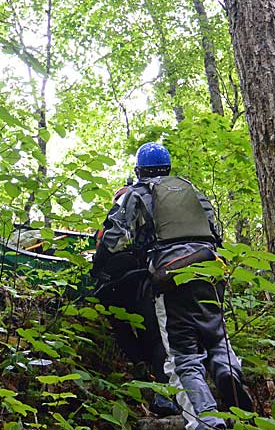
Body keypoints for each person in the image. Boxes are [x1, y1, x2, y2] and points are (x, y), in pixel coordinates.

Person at [95, 142, 252, 430]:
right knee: (216, 337)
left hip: (171, 274)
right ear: (167, 168)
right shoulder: (192, 191)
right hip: (210, 268)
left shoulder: (137, 193)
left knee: (183, 356)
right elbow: (214, 232)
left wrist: (101, 263)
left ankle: (205, 420)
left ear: (139, 170)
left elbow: (114, 238)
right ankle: (228, 373)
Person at [92, 176, 178, 417]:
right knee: (160, 334)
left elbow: (110, 241)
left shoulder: (125, 205)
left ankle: (151, 380)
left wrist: (97, 268)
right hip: (166, 273)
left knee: (136, 328)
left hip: (135, 279)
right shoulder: (167, 209)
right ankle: (163, 390)